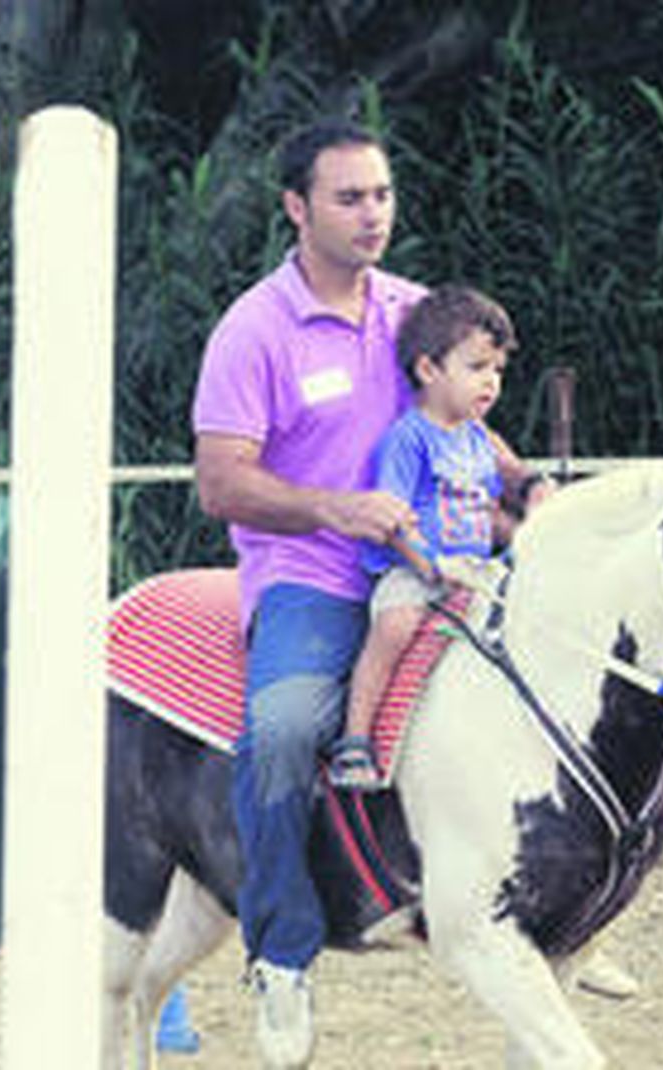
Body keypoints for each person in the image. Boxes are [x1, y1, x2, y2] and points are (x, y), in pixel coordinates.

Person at [190, 120, 535, 1063]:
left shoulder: (415, 312)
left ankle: (561, 917)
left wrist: (527, 487)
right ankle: (282, 953)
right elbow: (221, 481)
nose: (372, 213)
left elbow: (466, 416)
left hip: (441, 566)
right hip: (313, 581)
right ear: (296, 208)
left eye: (381, 194)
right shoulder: (253, 330)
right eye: (348, 197)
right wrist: (335, 510)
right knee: (288, 728)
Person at [327, 284, 529, 790]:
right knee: (394, 625)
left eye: (498, 371)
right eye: (477, 367)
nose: (491, 383)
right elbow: (392, 517)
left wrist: (525, 537)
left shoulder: (478, 440)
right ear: (428, 370)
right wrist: (428, 564)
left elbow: (484, 510)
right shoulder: (408, 438)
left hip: (474, 570)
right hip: (416, 569)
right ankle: (355, 739)